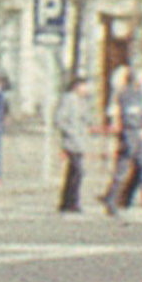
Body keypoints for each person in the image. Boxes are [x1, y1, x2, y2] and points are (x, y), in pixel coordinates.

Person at [107, 63, 142, 216]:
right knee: (122, 170)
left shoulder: (140, 95)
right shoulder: (127, 94)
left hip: (140, 134)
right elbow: (130, 115)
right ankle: (112, 200)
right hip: (130, 134)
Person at [52, 75, 89, 214]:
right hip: (72, 141)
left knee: (72, 172)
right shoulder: (69, 99)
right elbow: (59, 119)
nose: (86, 89)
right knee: (78, 171)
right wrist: (70, 132)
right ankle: (73, 201)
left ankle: (66, 201)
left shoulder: (82, 101)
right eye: (84, 86)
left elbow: (85, 119)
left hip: (80, 141)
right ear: (77, 86)